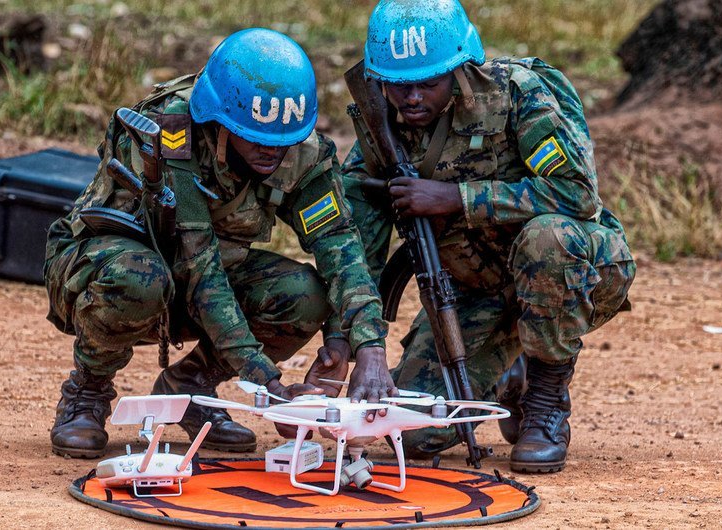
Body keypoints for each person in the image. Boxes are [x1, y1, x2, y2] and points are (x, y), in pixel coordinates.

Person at [44, 28, 396, 458]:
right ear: (219, 120)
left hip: (200, 276)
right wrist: (269, 383)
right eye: (256, 138)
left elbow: (342, 249)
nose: (272, 152)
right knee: (141, 277)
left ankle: (192, 387)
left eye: (282, 141)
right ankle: (88, 390)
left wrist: (367, 347)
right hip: (103, 270)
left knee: (306, 296)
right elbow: (202, 272)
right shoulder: (172, 135)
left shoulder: (303, 155)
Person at [342, 0, 636, 473]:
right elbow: (354, 246)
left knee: (549, 239)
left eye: (428, 83)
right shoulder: (381, 130)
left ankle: (545, 403)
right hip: (472, 292)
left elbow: (576, 194)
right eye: (398, 85)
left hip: (575, 269)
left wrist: (456, 198)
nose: (412, 98)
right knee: (417, 432)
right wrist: (352, 344)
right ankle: (508, 370)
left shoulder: (517, 94)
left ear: (460, 69)